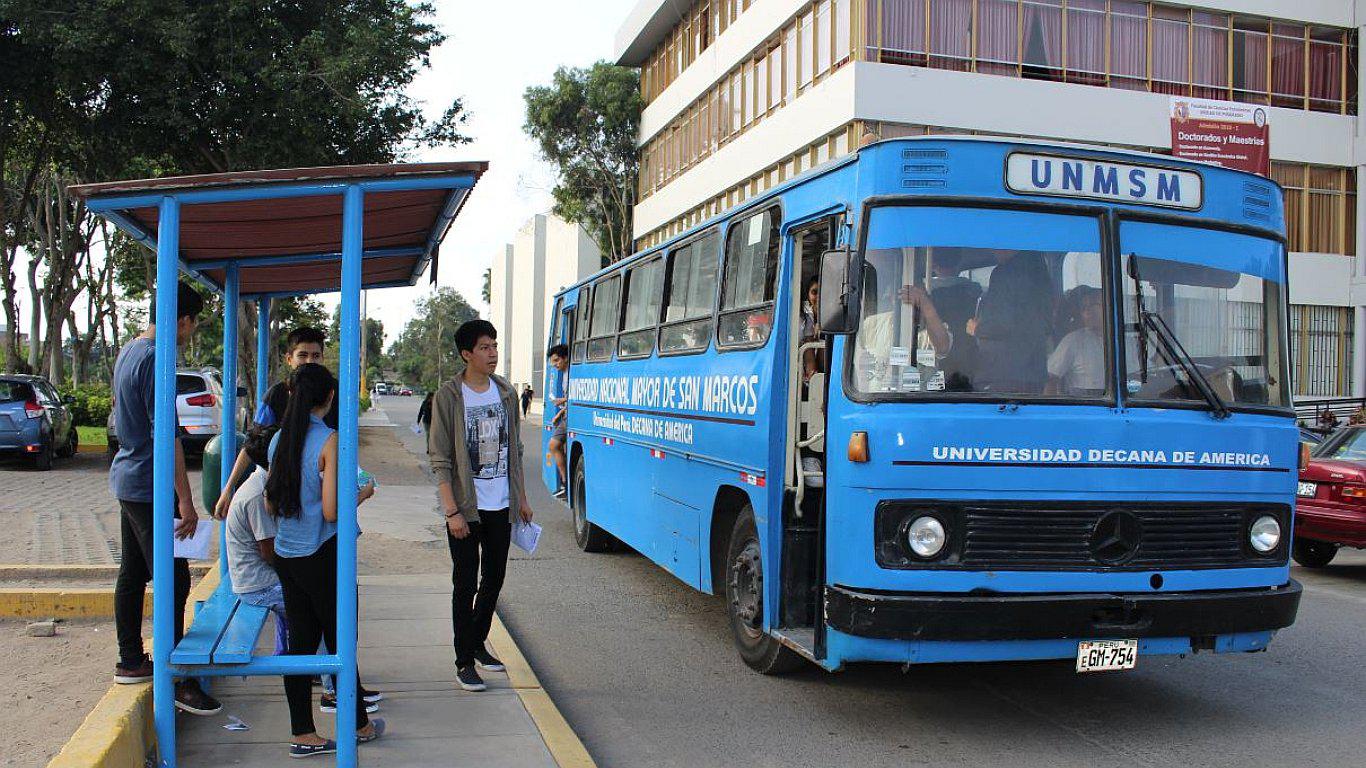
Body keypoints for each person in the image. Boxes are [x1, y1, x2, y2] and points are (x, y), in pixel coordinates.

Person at [109, 282, 222, 715]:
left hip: (128, 477)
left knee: (134, 571)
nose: (190, 333)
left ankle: (131, 658)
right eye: (192, 325)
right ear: (182, 320)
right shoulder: (157, 359)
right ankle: (176, 677)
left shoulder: (128, 351)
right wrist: (186, 500)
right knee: (173, 578)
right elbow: (168, 436)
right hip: (148, 483)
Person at [265, 364, 383, 756]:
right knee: (340, 638)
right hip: (322, 554)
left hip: (287, 553)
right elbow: (332, 511)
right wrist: (363, 493)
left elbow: (270, 501)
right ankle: (358, 725)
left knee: (300, 642)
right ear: (329, 397)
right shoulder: (329, 441)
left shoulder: (278, 439)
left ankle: (303, 732)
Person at [427, 319, 533, 692]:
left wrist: (521, 497)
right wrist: (452, 511)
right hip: (466, 509)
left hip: (500, 506)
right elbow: (439, 458)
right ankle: (464, 660)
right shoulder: (449, 396)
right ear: (466, 354)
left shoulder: (504, 393)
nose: (493, 353)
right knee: (464, 582)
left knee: (494, 578)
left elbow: (514, 451)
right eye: (485, 347)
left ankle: (477, 643)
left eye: (495, 345)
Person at [214, 327, 335, 521]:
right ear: (289, 359)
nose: (309, 361)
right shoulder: (276, 394)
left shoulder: (333, 393)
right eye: (302, 355)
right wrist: (228, 489)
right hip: (278, 482)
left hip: (320, 484)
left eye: (316, 355)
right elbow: (253, 441)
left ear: (322, 358)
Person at [967, 250, 1054, 393]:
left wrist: (977, 328)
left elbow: (1003, 323)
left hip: (1003, 373)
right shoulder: (1042, 275)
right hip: (1035, 372)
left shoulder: (1004, 274)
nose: (993, 250)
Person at [1045, 286, 1105, 396]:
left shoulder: (1127, 342)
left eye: (1093, 305)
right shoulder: (1073, 340)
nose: (1086, 312)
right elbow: (1050, 379)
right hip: (1082, 407)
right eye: (1083, 308)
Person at [546, 344, 570, 495]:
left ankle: (565, 483)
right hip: (567, 415)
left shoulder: (573, 373)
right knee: (555, 446)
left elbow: (577, 396)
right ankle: (565, 481)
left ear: (566, 358)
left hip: (573, 416)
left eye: (557, 360)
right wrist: (559, 414)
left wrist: (562, 400)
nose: (555, 365)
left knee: (554, 445)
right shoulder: (565, 374)